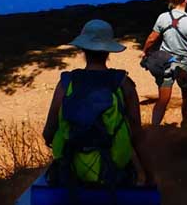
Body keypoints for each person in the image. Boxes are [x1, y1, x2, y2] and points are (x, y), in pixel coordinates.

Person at [42, 19, 156, 187]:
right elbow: (137, 136)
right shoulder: (123, 84)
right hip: (114, 173)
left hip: (72, 173)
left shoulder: (66, 83)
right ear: (108, 51)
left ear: (83, 49)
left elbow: (48, 132)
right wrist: (150, 176)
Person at [141, 0, 187, 129]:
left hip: (165, 62)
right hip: (185, 65)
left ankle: (154, 128)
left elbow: (151, 39)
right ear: (186, 0)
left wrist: (145, 52)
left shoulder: (163, 17)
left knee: (163, 99)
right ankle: (186, 126)